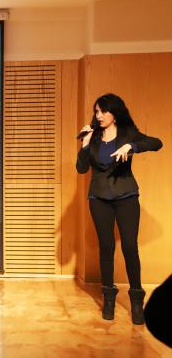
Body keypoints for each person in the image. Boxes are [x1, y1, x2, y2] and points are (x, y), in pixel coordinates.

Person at [76, 93, 162, 325]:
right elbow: (82, 169)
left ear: (115, 113)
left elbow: (156, 143)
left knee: (130, 246)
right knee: (106, 247)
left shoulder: (127, 132)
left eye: (103, 111)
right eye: (96, 111)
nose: (99, 115)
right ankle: (109, 299)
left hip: (126, 196)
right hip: (99, 198)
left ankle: (136, 301)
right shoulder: (92, 137)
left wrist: (131, 145)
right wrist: (85, 144)